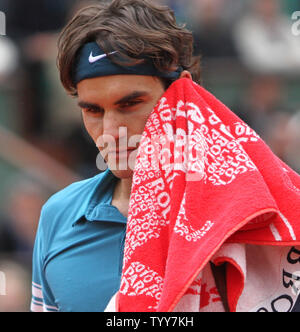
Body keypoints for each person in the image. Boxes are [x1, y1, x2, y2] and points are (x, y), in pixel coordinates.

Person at [31, 0, 300, 313]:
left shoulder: (259, 212)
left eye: (130, 104)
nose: (111, 130)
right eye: (93, 110)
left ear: (182, 94)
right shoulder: (58, 215)